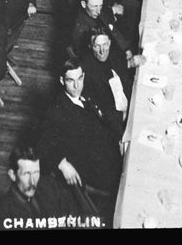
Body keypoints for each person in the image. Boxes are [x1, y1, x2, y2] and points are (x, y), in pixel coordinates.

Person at [36, 59, 124, 196]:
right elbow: (41, 145)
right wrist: (62, 164)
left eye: (80, 78)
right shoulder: (56, 110)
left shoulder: (84, 93)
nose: (77, 86)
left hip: (109, 151)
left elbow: (102, 117)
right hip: (94, 168)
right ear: (62, 81)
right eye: (70, 81)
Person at [0, 144, 78, 225]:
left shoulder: (51, 187)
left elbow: (72, 216)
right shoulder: (3, 214)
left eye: (36, 172)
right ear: (12, 175)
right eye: (26, 174)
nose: (32, 182)